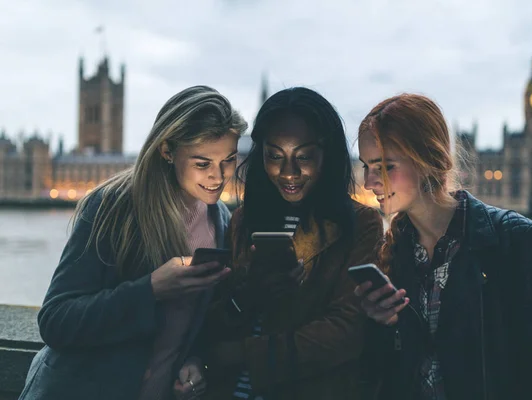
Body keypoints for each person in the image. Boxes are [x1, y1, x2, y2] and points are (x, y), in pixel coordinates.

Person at [18, 86, 247, 400]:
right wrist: (150, 289)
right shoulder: (113, 206)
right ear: (167, 151)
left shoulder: (220, 220)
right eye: (202, 164)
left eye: (229, 160)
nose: (218, 177)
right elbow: (56, 321)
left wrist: (194, 361)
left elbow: (191, 322)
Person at [354, 93, 532, 399]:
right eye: (365, 166)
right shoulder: (392, 252)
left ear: (428, 160)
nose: (368, 182)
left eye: (384, 167)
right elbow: (384, 372)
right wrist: (379, 324)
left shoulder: (517, 242)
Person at [196, 87, 383, 399]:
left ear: (328, 154)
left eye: (304, 157)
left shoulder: (362, 224)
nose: (288, 173)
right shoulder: (243, 220)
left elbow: (345, 332)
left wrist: (245, 353)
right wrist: (249, 294)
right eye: (275, 156)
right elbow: (214, 318)